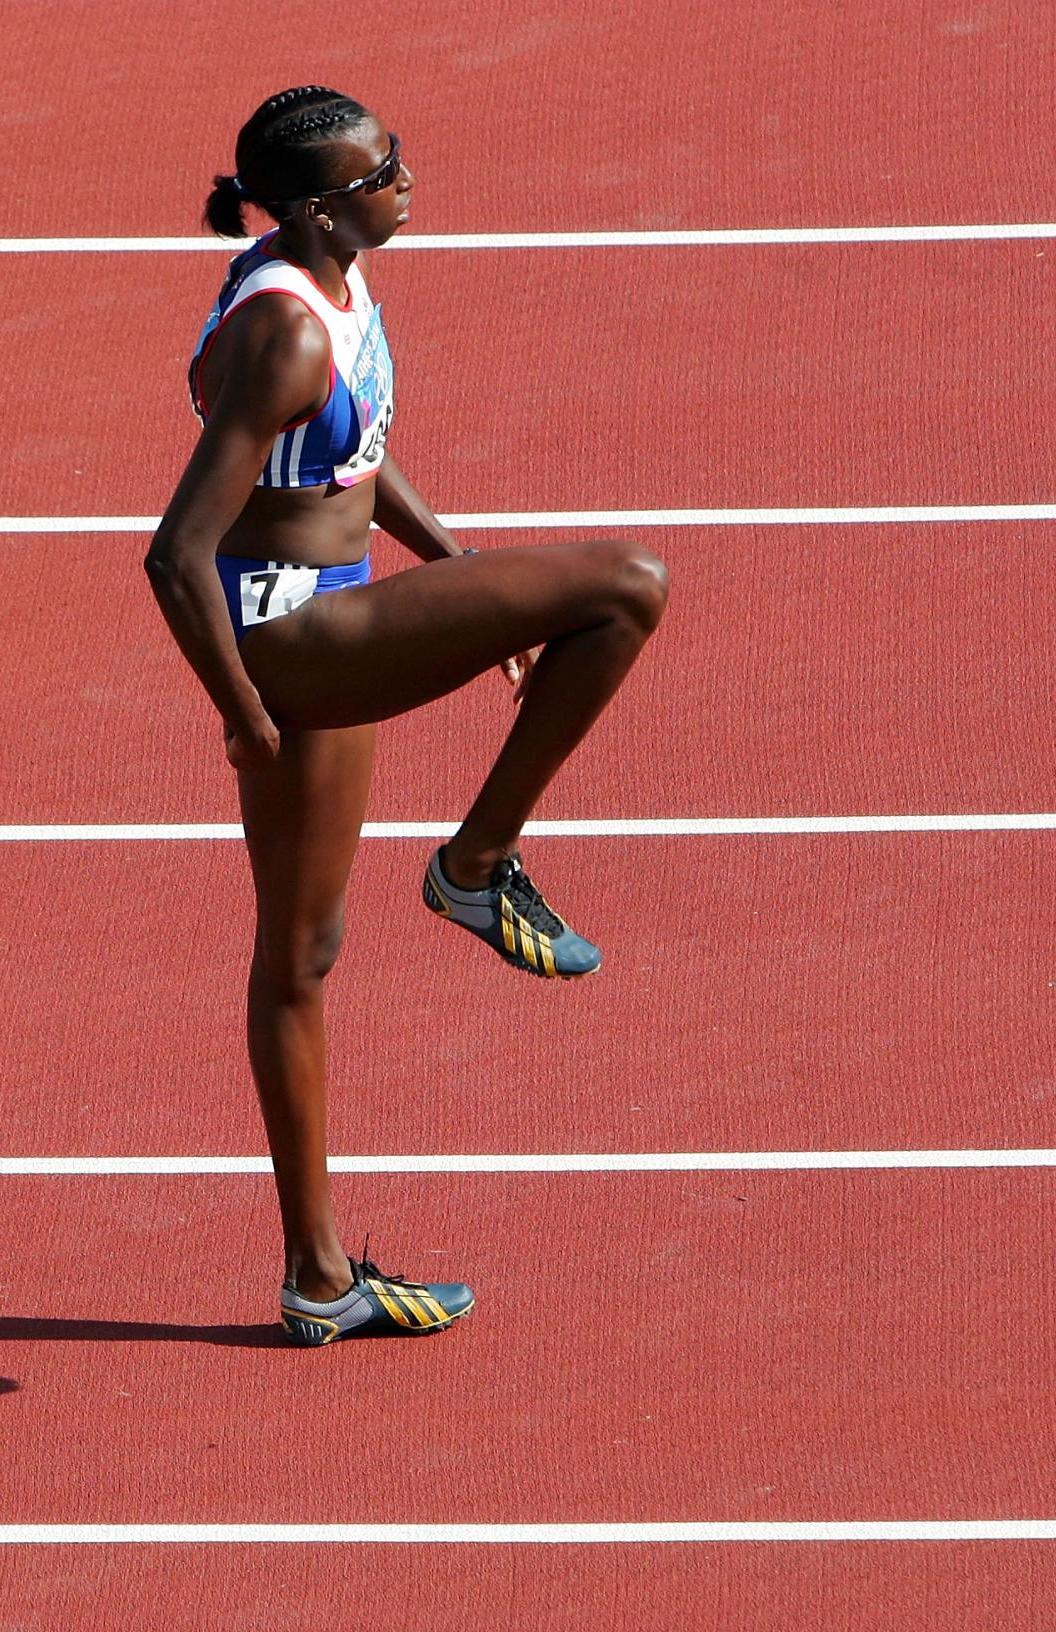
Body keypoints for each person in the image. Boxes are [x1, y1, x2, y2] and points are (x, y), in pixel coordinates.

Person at [143, 86, 668, 1346]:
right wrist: (241, 713)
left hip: (330, 605)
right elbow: (173, 552)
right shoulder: (286, 334)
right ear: (324, 204)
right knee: (624, 589)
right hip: (286, 641)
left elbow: (352, 458)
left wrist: (447, 561)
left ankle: (316, 1277)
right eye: (382, 170)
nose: (406, 179)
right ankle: (477, 866)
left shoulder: (318, 266)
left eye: (398, 158)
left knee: (301, 954)